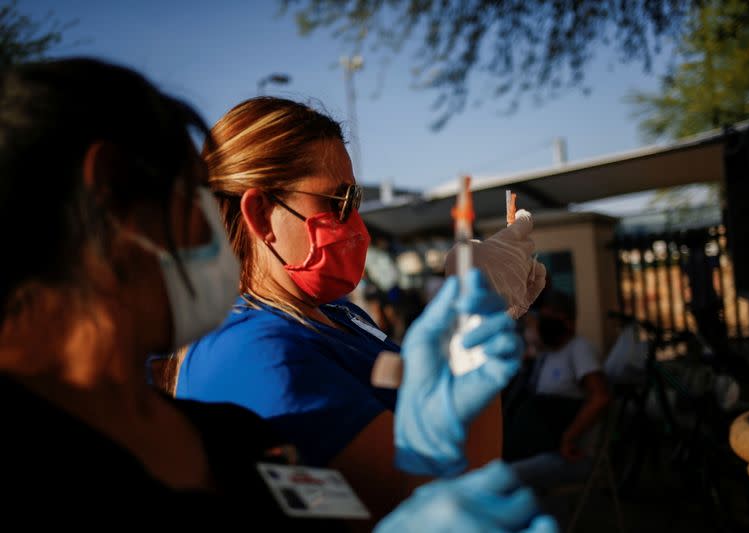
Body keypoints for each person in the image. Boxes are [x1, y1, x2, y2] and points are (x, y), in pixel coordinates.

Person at [0, 57, 557, 532]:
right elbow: (432, 486)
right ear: (113, 199)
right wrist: (476, 318)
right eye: (191, 201)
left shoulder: (223, 432)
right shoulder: (248, 353)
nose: (210, 231)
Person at [174, 96, 544, 518]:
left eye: (356, 201)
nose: (356, 226)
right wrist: (475, 320)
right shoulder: (251, 353)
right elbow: (444, 497)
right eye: (337, 202)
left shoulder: (338, 315)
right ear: (259, 213)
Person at [503, 290, 611, 486]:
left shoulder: (579, 349)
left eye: (551, 317)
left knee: (503, 478)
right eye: (542, 317)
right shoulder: (546, 354)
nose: (543, 323)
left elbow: (600, 398)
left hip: (565, 453)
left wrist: (570, 437)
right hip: (536, 446)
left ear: (568, 321)